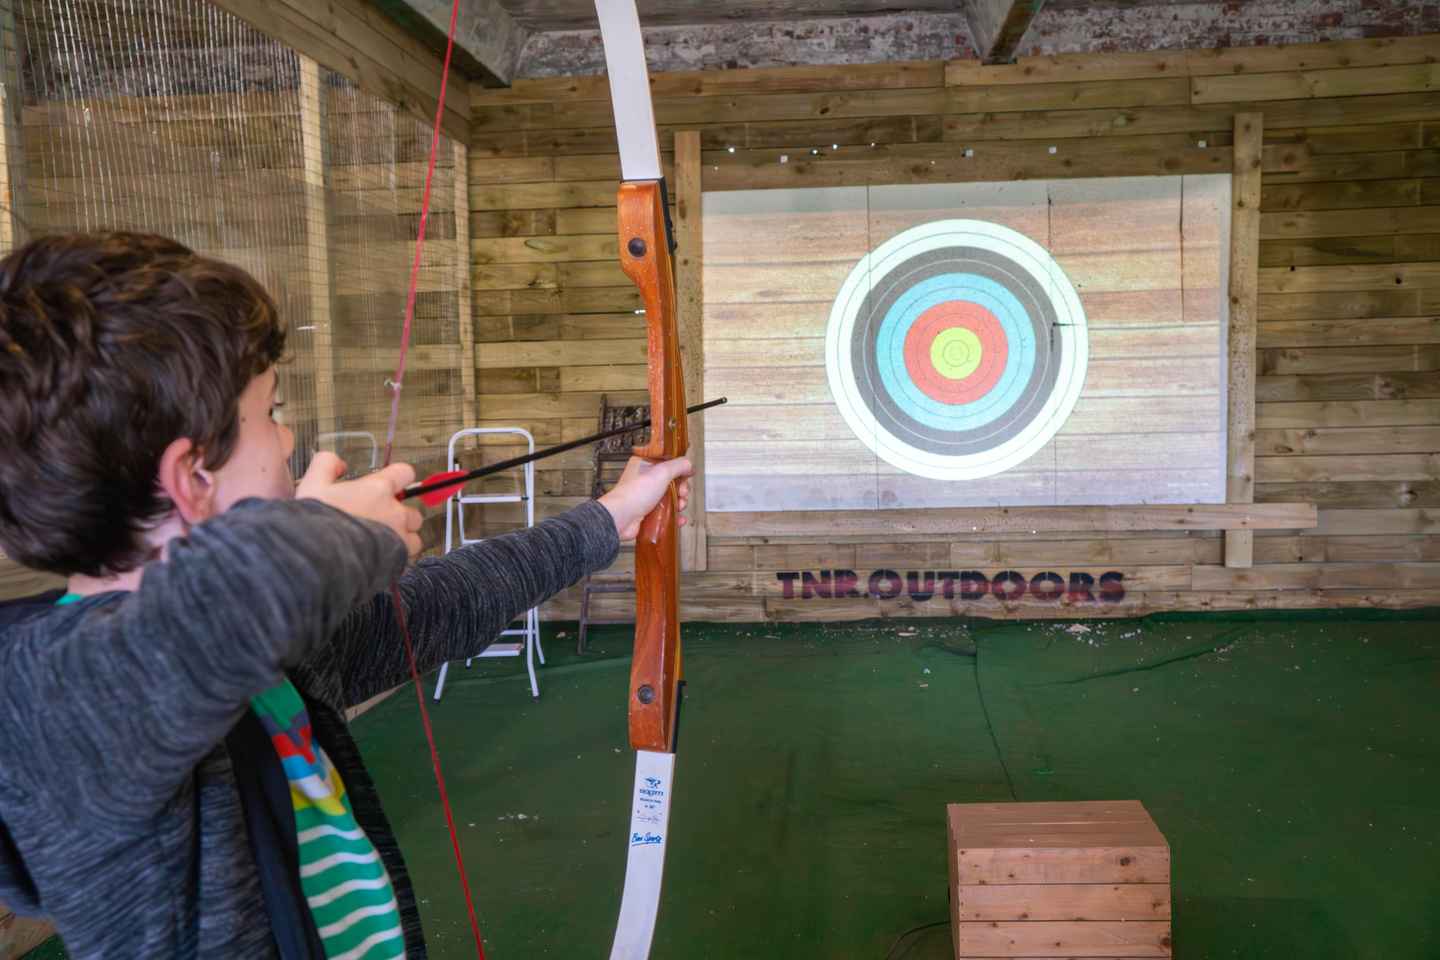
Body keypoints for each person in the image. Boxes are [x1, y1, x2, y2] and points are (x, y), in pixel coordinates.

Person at [0, 231, 691, 959]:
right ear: (193, 477)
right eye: (271, 414)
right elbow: (194, 633)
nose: (292, 440)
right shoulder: (53, 700)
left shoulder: (274, 654)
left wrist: (610, 516)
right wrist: (327, 532)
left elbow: (445, 602)